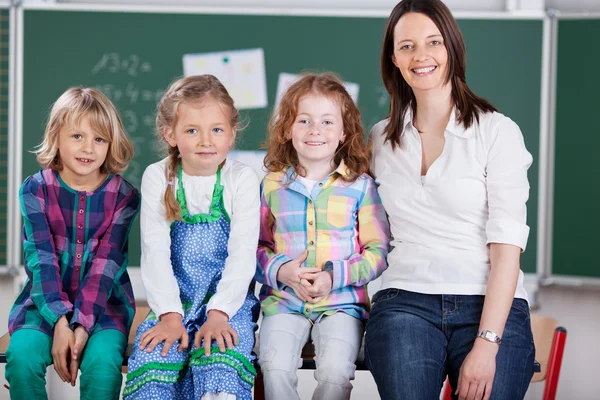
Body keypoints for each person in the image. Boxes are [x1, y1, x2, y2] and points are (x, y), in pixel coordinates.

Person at [365, 1, 536, 399]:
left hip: (489, 303)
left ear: (452, 48)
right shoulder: (379, 140)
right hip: (405, 300)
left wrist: (487, 342)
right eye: (406, 46)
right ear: (394, 58)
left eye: (433, 42)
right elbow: (352, 221)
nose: (420, 56)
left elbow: (507, 252)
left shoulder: (496, 132)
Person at [123, 75, 260, 400]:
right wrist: (170, 316)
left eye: (216, 129)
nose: (205, 141)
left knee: (220, 363)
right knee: (155, 360)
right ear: (169, 134)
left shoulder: (240, 178)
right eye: (191, 130)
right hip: (172, 303)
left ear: (231, 133)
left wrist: (219, 312)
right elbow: (154, 253)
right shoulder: (159, 176)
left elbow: (243, 255)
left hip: (229, 305)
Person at [256, 72, 390, 400]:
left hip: (342, 304)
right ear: (288, 129)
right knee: (273, 367)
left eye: (328, 122)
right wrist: (282, 271)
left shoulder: (361, 187)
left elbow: (378, 250)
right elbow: (255, 247)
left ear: (344, 131)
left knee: (334, 373)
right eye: (304, 120)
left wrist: (334, 277)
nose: (316, 130)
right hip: (284, 302)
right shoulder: (272, 185)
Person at [5, 87, 140, 400]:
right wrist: (60, 322)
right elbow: (41, 261)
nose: (88, 148)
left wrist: (81, 325)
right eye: (77, 136)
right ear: (57, 136)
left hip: (104, 307)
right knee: (22, 360)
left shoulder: (124, 197)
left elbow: (105, 267)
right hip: (42, 304)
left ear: (110, 144)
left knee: (103, 366)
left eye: (99, 139)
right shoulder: (35, 190)